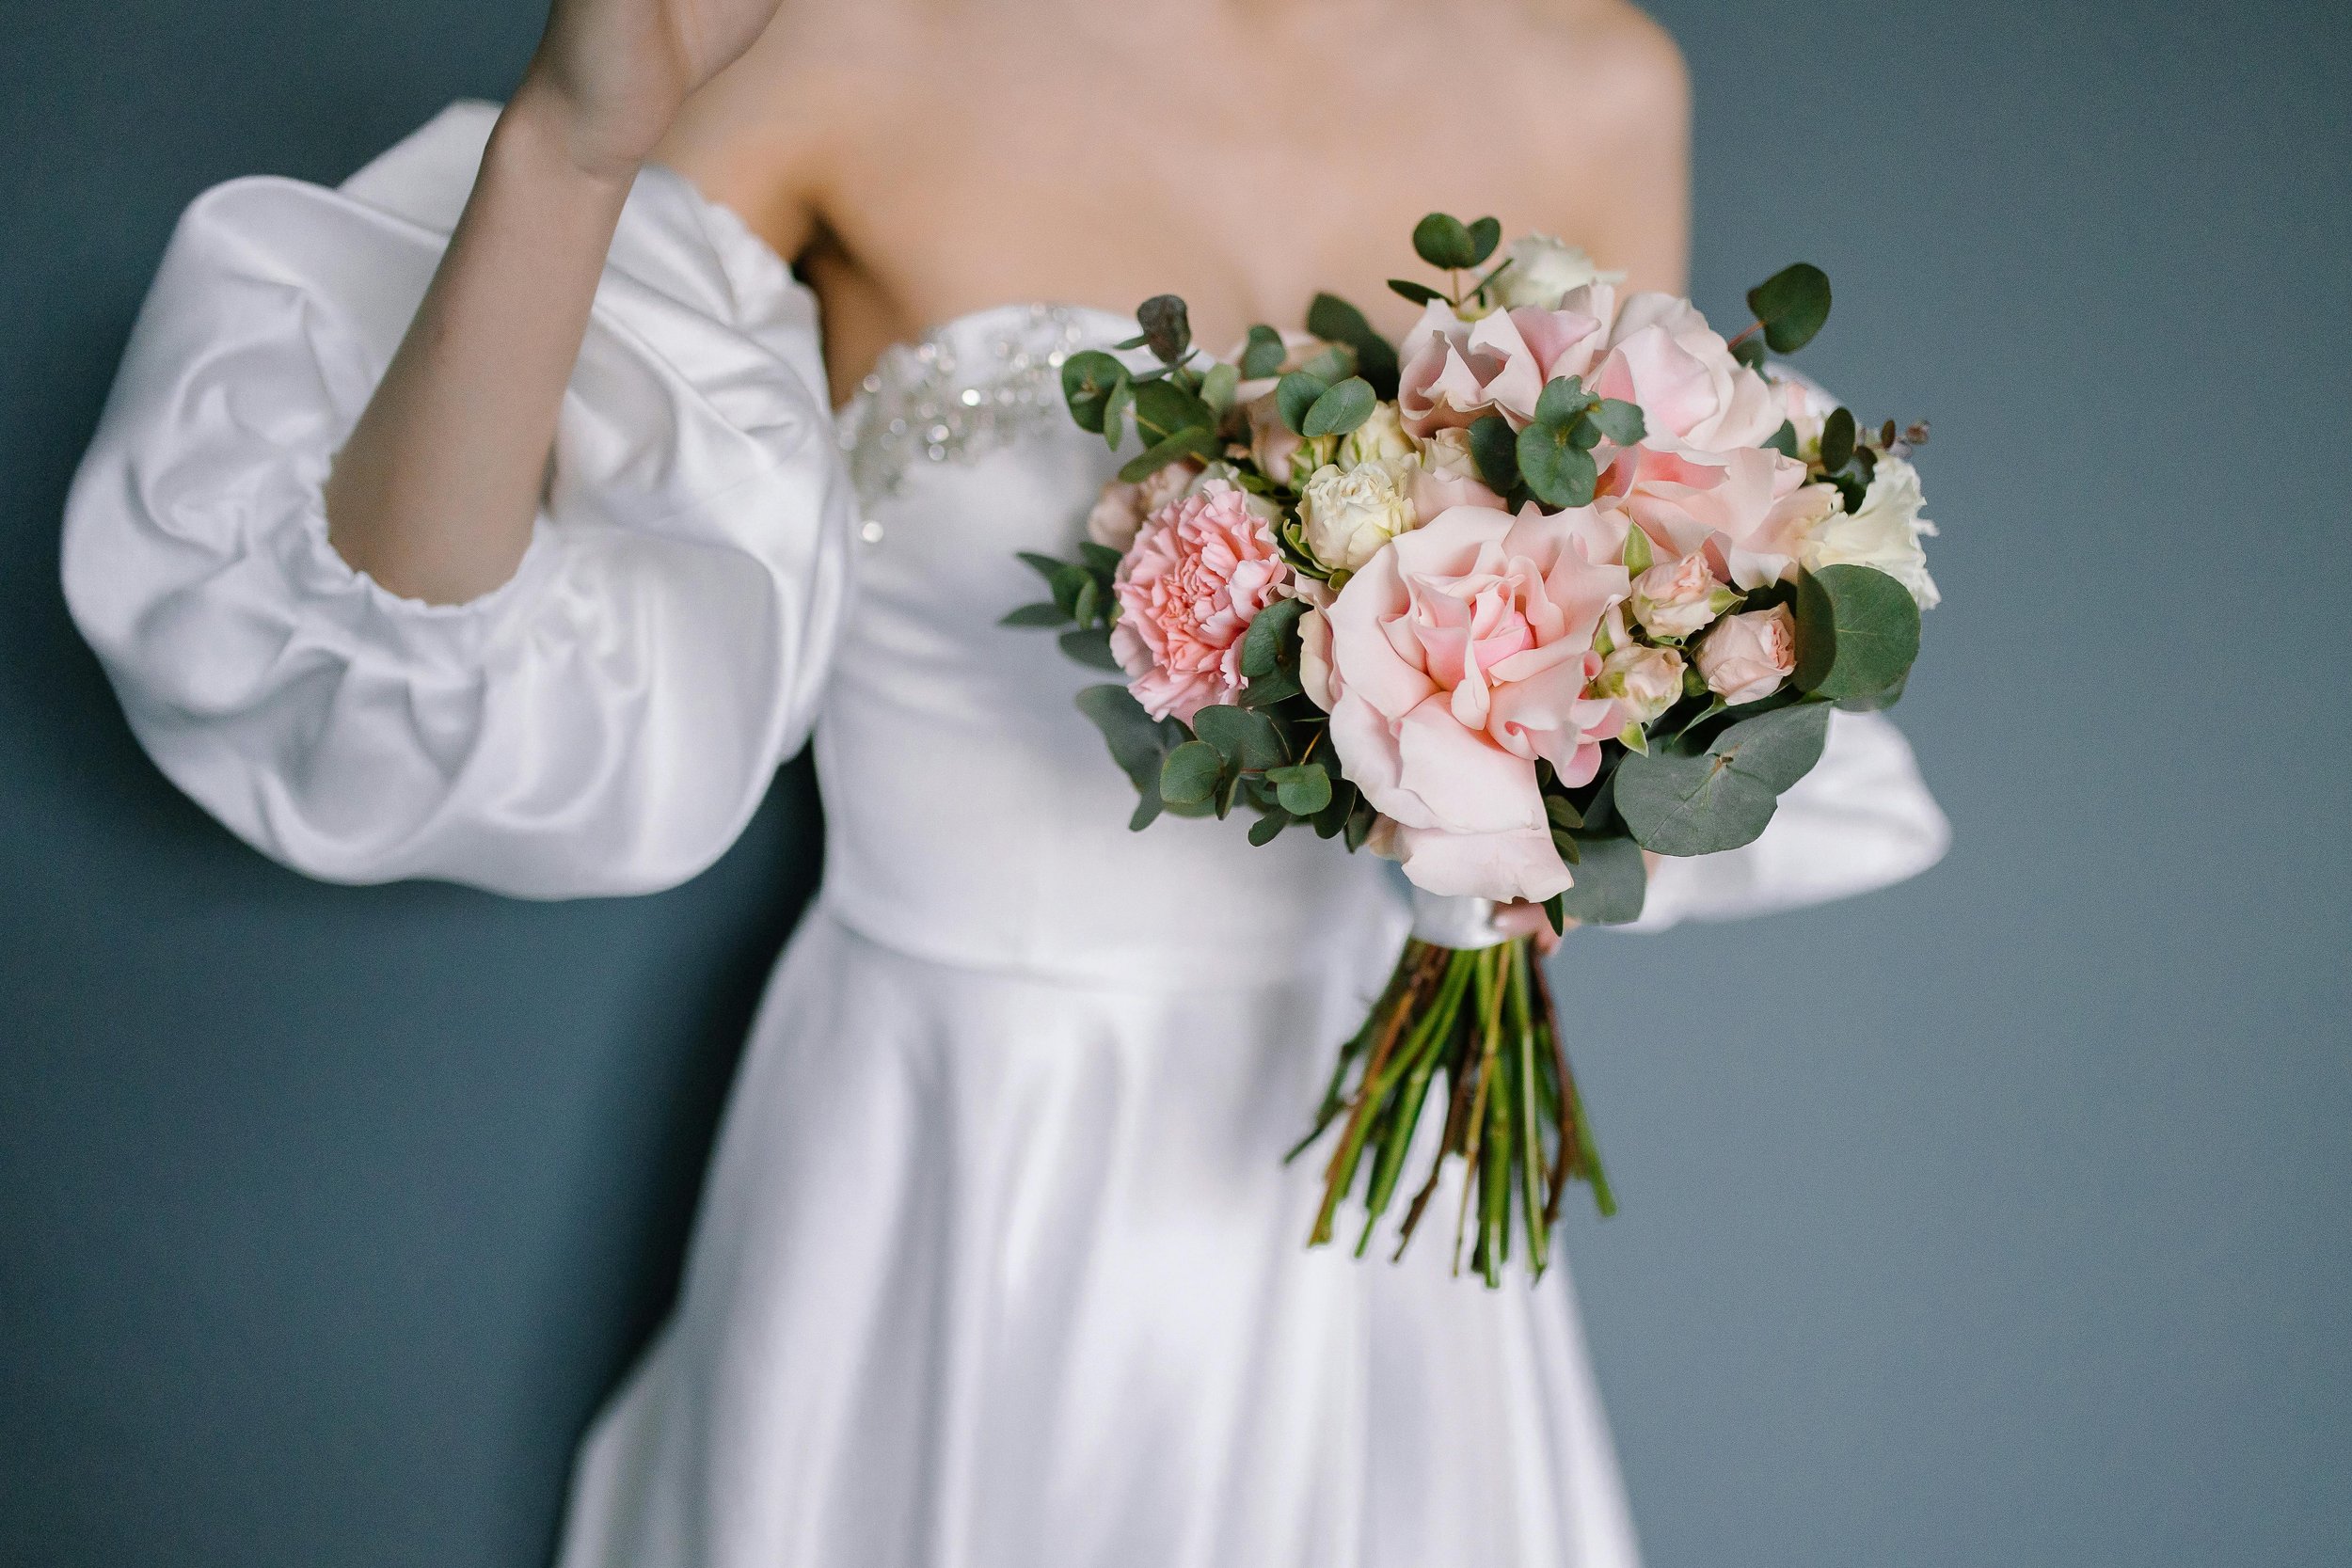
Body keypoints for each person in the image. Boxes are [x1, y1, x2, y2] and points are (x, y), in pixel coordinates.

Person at [59, 0, 1948, 1561]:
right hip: (941, 1152)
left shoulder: (1598, 80)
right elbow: (422, 626)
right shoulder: (835, 42)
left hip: (1362, 1228)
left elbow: (1594, 663)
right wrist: (563, 151)